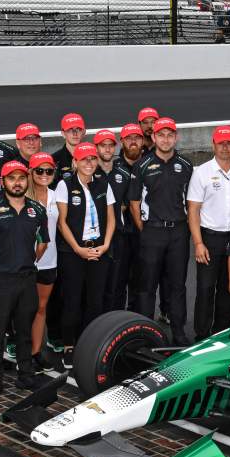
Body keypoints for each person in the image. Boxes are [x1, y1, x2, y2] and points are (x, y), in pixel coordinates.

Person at [0, 161, 47, 395]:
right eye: (11, 178)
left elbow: (43, 243)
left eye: (21, 178)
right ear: (2, 182)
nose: (17, 183)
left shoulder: (38, 209)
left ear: (27, 180)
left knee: (24, 330)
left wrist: (27, 262)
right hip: (0, 280)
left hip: (26, 279)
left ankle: (26, 375)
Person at [128, 117, 193, 346]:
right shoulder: (142, 165)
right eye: (161, 135)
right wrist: (144, 228)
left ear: (176, 137)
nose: (165, 139)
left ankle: (179, 332)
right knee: (147, 286)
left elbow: (191, 201)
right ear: (153, 137)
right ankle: (146, 335)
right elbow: (134, 202)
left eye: (170, 135)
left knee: (177, 285)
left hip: (179, 232)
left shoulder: (186, 165)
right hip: (152, 232)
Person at [55, 143, 115, 366]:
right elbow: (62, 222)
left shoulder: (103, 184)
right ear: (75, 162)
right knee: (72, 299)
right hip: (74, 251)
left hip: (99, 248)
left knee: (95, 300)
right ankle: (69, 345)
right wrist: (78, 249)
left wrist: (106, 244)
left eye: (92, 159)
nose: (89, 163)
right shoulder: (65, 185)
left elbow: (111, 218)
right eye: (84, 159)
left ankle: (92, 343)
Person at [188, 126, 230, 341]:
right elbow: (193, 209)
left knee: (228, 289)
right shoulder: (201, 173)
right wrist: (198, 243)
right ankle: (201, 335)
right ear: (213, 144)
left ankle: (221, 333)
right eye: (221, 143)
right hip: (209, 238)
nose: (225, 147)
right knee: (205, 288)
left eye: (229, 143)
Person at [93, 129, 134, 311]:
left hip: (118, 236)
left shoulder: (124, 173)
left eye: (111, 146)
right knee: (97, 285)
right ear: (96, 148)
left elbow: (127, 204)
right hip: (95, 237)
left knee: (118, 284)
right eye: (103, 146)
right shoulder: (90, 174)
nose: (108, 150)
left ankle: (116, 322)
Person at [27, 152, 60, 371]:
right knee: (22, 310)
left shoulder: (57, 195)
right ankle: (22, 353)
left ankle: (35, 352)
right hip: (24, 262)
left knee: (40, 308)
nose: (44, 174)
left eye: (49, 170)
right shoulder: (22, 196)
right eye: (39, 170)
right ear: (31, 172)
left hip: (49, 261)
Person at [115, 122, 148, 311]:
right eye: (129, 138)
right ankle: (117, 320)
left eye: (136, 137)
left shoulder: (150, 164)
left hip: (144, 232)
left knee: (141, 282)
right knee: (118, 282)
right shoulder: (113, 167)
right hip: (119, 235)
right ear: (122, 142)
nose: (133, 141)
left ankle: (137, 320)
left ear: (142, 140)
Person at [51, 112, 88, 182]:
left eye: (78, 129)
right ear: (63, 133)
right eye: (70, 130)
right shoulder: (53, 161)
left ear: (84, 132)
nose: (75, 133)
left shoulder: (93, 158)